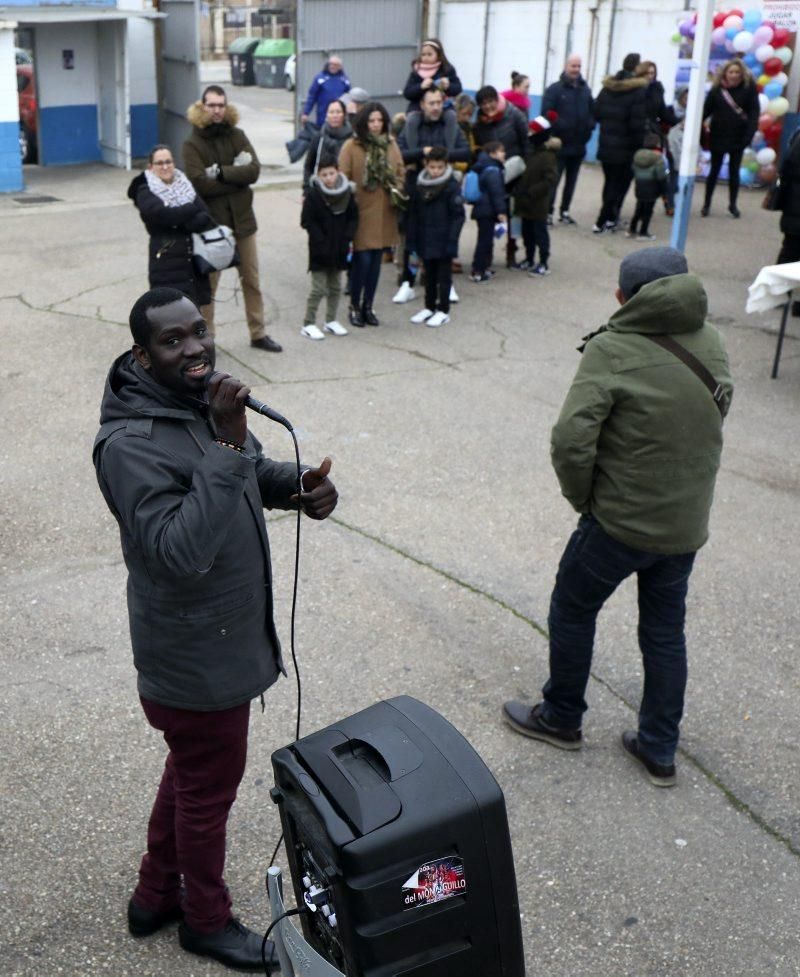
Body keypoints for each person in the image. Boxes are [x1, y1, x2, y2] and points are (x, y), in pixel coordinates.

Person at [93, 287, 338, 969]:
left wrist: (300, 487)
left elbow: (248, 471)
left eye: (198, 331)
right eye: (173, 341)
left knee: (191, 773)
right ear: (143, 355)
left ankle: (154, 895)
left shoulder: (199, 402)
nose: (195, 347)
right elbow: (178, 552)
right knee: (206, 792)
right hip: (194, 662)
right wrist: (227, 443)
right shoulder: (128, 445)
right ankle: (205, 917)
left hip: (220, 650)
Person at [502, 247, 733, 788]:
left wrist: (584, 499)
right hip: (685, 523)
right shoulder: (713, 340)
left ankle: (561, 717)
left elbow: (570, 441)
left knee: (573, 607)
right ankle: (659, 749)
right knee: (664, 630)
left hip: (619, 522)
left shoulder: (612, 349)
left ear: (621, 298)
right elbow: (717, 410)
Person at [183, 85, 282, 353]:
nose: (216, 110)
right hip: (213, 227)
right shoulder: (192, 143)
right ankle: (205, 341)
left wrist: (221, 174)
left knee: (251, 281)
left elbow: (254, 170)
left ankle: (258, 333)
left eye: (220, 105)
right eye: (211, 105)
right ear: (202, 106)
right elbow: (199, 184)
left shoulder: (237, 135)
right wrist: (236, 179)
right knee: (208, 289)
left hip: (244, 223)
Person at [395, 86, 471, 304]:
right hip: (416, 187)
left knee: (443, 236)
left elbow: (466, 152)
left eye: (439, 102)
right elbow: (399, 154)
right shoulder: (411, 125)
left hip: (444, 187)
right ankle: (407, 283)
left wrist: (439, 156)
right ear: (422, 105)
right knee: (411, 236)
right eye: (432, 103)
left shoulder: (451, 124)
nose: (436, 107)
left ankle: (445, 285)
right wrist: (422, 152)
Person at [338, 101, 405, 327]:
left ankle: (368, 306)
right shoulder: (352, 145)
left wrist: (396, 187)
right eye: (371, 121)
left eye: (380, 121)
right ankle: (354, 306)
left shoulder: (391, 144)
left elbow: (400, 172)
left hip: (385, 210)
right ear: (364, 123)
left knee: (376, 262)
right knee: (362, 261)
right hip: (361, 211)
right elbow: (342, 177)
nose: (376, 125)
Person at [127, 144, 215, 307]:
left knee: (195, 318)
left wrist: (178, 219)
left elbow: (205, 217)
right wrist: (190, 209)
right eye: (160, 163)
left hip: (191, 265)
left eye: (169, 161)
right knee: (170, 316)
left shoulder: (185, 185)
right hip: (166, 264)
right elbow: (163, 215)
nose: (165, 166)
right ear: (151, 167)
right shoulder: (144, 190)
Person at [299, 155, 358, 340]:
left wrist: (347, 236)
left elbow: (353, 217)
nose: (329, 178)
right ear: (318, 175)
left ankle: (330, 320)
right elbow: (307, 220)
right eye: (324, 174)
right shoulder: (313, 194)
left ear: (338, 172)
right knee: (318, 289)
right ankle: (308, 323)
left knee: (335, 287)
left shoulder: (347, 192)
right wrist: (320, 240)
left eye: (331, 173)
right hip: (320, 250)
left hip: (340, 247)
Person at [405, 146, 465, 327]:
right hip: (425, 236)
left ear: (446, 166)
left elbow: (458, 216)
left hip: (443, 238)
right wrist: (412, 239)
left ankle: (443, 310)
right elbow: (413, 213)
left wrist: (452, 241)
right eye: (432, 167)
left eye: (440, 167)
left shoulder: (451, 187)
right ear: (426, 165)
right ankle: (429, 306)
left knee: (443, 276)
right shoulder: (420, 185)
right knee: (429, 275)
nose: (436, 171)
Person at [592, 53, 648, 233]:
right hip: (627, 148)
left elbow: (597, 113)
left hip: (606, 144)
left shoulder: (607, 88)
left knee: (609, 183)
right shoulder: (638, 92)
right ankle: (602, 221)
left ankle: (609, 218)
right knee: (619, 185)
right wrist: (640, 144)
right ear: (637, 68)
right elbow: (636, 124)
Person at [474, 85, 528, 266]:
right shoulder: (480, 124)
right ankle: (486, 257)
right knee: (490, 215)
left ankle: (511, 251)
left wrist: (525, 166)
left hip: (515, 172)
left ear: (497, 100)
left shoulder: (515, 114)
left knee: (513, 214)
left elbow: (526, 142)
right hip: (492, 174)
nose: (488, 106)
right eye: (483, 104)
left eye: (490, 102)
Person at [701, 58, 759, 218]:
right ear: (725, 73)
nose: (734, 75)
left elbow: (754, 114)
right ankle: (706, 204)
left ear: (742, 74)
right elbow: (706, 111)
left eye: (737, 72)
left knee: (734, 172)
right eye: (731, 72)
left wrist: (749, 135)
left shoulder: (749, 89)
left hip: (738, 137)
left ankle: (733, 205)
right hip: (718, 135)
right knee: (714, 170)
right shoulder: (717, 90)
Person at [542, 54, 595, 225]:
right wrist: (561, 125)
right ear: (566, 66)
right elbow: (547, 113)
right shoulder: (554, 90)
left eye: (579, 66)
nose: (576, 69)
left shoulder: (585, 90)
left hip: (579, 146)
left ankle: (564, 212)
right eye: (573, 66)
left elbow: (592, 112)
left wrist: (589, 127)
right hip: (559, 146)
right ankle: (548, 213)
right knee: (553, 182)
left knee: (571, 182)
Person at [512, 118, 561, 275]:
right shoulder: (532, 151)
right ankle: (529, 258)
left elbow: (550, 180)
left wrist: (532, 192)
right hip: (525, 202)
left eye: (532, 131)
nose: (529, 134)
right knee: (527, 234)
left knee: (540, 233)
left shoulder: (548, 156)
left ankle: (544, 262)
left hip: (538, 203)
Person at [634, 60, 677, 214]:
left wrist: (678, 121)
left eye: (653, 73)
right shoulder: (635, 89)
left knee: (666, 167)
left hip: (654, 134)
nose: (650, 76)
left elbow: (662, 112)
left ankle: (668, 201)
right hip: (638, 133)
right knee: (642, 172)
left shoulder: (657, 89)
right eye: (647, 73)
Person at [468, 141, 507, 282]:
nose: (504, 154)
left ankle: (484, 267)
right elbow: (496, 192)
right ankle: (478, 270)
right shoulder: (493, 170)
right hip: (487, 210)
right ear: (492, 154)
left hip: (481, 209)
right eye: (501, 151)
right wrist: (501, 211)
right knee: (484, 241)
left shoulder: (483, 166)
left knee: (486, 240)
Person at [303, 98, 353, 191]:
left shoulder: (352, 138)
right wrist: (306, 190)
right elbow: (309, 166)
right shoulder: (319, 137)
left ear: (344, 115)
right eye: (331, 112)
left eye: (338, 112)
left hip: (346, 189)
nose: (335, 115)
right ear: (326, 115)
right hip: (321, 190)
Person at [402, 38, 462, 114]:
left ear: (439, 55)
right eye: (423, 55)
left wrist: (448, 86)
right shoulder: (416, 71)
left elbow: (458, 89)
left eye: (429, 54)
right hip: (419, 107)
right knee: (412, 118)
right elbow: (407, 93)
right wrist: (421, 87)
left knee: (451, 116)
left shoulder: (447, 69)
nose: (426, 57)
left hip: (443, 106)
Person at [626, 131, 667, 241]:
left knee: (638, 208)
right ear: (657, 144)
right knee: (648, 211)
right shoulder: (658, 158)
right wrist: (664, 190)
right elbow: (661, 176)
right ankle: (643, 232)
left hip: (640, 185)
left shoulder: (637, 155)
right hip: (652, 187)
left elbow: (633, 169)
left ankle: (632, 229)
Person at [300, 54, 351, 128]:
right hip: (323, 116)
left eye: (335, 65)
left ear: (340, 67)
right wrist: (305, 113)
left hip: (339, 117)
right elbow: (312, 96)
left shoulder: (344, 80)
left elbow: (349, 97)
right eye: (331, 64)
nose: (332, 66)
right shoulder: (320, 78)